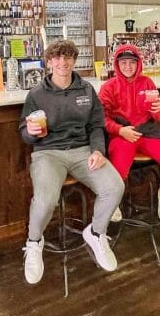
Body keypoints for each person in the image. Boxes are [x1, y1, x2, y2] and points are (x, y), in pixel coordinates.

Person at [19, 40, 124, 284]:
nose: (62, 63)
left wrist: (98, 150)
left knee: (114, 187)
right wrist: (31, 132)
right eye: (57, 58)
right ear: (49, 62)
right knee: (46, 200)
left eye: (67, 58)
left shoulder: (86, 90)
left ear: (74, 60)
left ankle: (97, 233)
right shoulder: (36, 94)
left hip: (82, 150)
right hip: (48, 153)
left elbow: (96, 125)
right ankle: (34, 242)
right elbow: (23, 131)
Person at [98, 44, 160, 223]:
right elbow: (101, 119)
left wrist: (158, 109)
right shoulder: (108, 87)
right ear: (116, 64)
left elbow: (159, 115)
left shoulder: (147, 83)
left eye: (132, 62)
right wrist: (120, 130)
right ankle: (113, 202)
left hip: (147, 132)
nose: (128, 66)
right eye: (123, 62)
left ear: (138, 64)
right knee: (118, 172)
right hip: (123, 134)